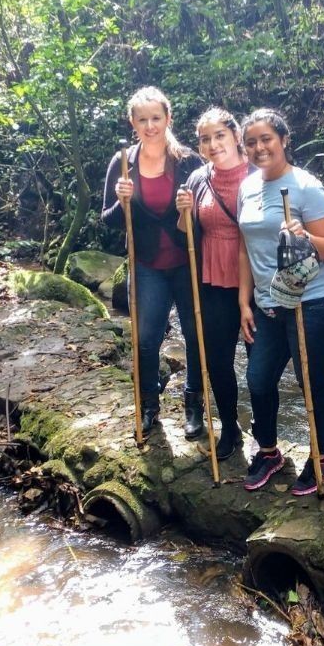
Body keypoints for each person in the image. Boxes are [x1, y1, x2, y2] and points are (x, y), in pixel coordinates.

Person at [236, 108, 324, 494]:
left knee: (308, 378)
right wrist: (244, 301)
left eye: (266, 139)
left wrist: (303, 235)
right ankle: (268, 452)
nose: (258, 147)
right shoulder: (247, 187)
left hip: (314, 298)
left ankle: (321, 457)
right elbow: (244, 248)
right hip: (268, 301)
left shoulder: (306, 186)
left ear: (284, 140)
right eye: (250, 142)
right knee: (258, 378)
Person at [101, 86, 204, 437]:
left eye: (156, 118)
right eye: (142, 119)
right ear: (133, 122)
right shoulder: (123, 161)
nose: (150, 125)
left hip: (187, 261)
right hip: (146, 263)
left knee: (194, 335)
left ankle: (194, 407)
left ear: (168, 118)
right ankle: (148, 407)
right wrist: (121, 202)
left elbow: (207, 214)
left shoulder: (188, 160)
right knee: (146, 339)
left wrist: (190, 208)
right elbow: (109, 219)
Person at [175, 108, 254, 461]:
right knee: (218, 362)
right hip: (212, 280)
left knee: (259, 365)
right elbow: (185, 231)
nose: (212, 144)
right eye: (205, 139)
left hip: (255, 281)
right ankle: (230, 429)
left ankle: (266, 438)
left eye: (219, 135)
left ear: (235, 135)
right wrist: (182, 211)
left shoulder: (259, 174)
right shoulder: (197, 179)